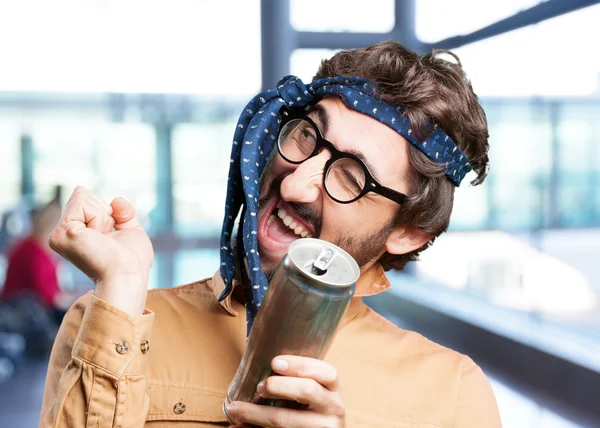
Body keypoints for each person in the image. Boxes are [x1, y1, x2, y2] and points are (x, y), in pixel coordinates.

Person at [40, 41, 502, 427]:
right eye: (306, 136)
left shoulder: (452, 396)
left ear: (406, 233)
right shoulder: (108, 322)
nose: (294, 182)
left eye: (351, 175)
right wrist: (121, 283)